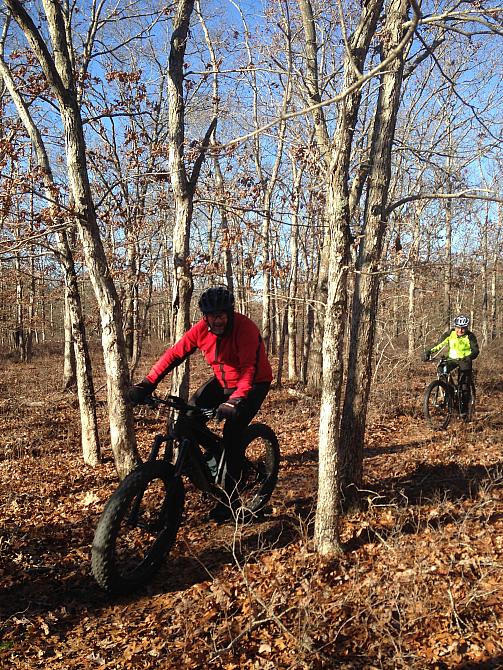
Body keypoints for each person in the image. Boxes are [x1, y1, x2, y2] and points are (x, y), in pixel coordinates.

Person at [128, 286, 273, 523]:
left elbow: (249, 369)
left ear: (229, 312)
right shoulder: (200, 330)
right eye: (212, 315)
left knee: (232, 431)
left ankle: (231, 500)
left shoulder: (245, 328)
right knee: (187, 419)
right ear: (205, 316)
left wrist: (235, 400)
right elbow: (174, 355)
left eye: (222, 314)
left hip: (254, 383)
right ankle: (215, 458)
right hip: (224, 381)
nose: (217, 320)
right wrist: (147, 383)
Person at [422, 315, 479, 416]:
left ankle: (464, 409)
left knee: (464, 384)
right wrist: (428, 352)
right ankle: (449, 392)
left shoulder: (470, 336)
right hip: (452, 359)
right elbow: (438, 344)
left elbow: (475, 350)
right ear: (455, 326)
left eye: (463, 328)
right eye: (458, 327)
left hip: (465, 360)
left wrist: (469, 357)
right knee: (442, 369)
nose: (460, 330)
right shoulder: (450, 334)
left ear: (466, 328)